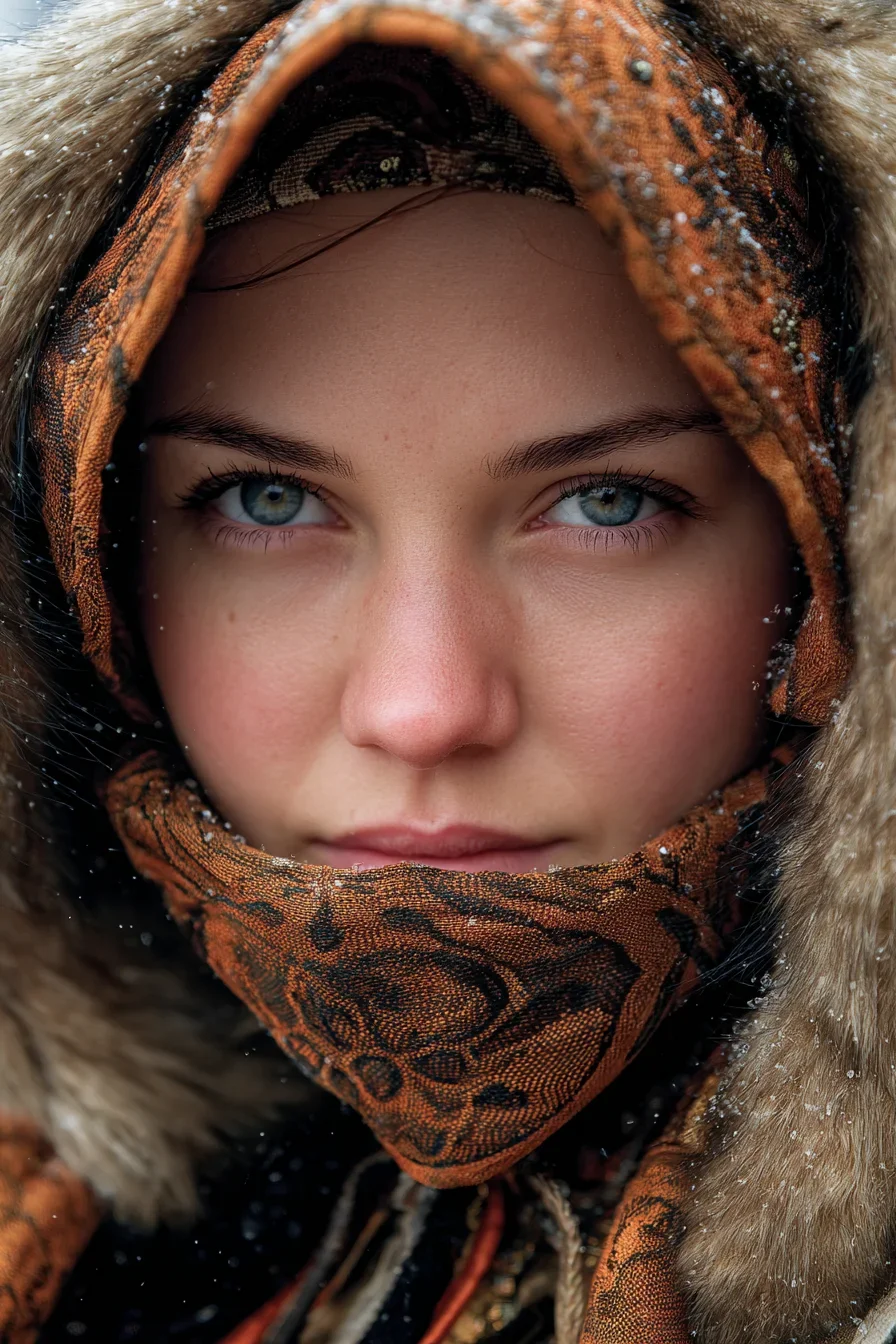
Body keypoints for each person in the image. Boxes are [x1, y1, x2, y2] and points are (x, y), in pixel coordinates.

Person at [0, 1, 892, 1341]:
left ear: (833, 555)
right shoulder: (53, 1249)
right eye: (264, 501)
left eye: (605, 503)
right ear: (87, 562)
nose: (422, 708)